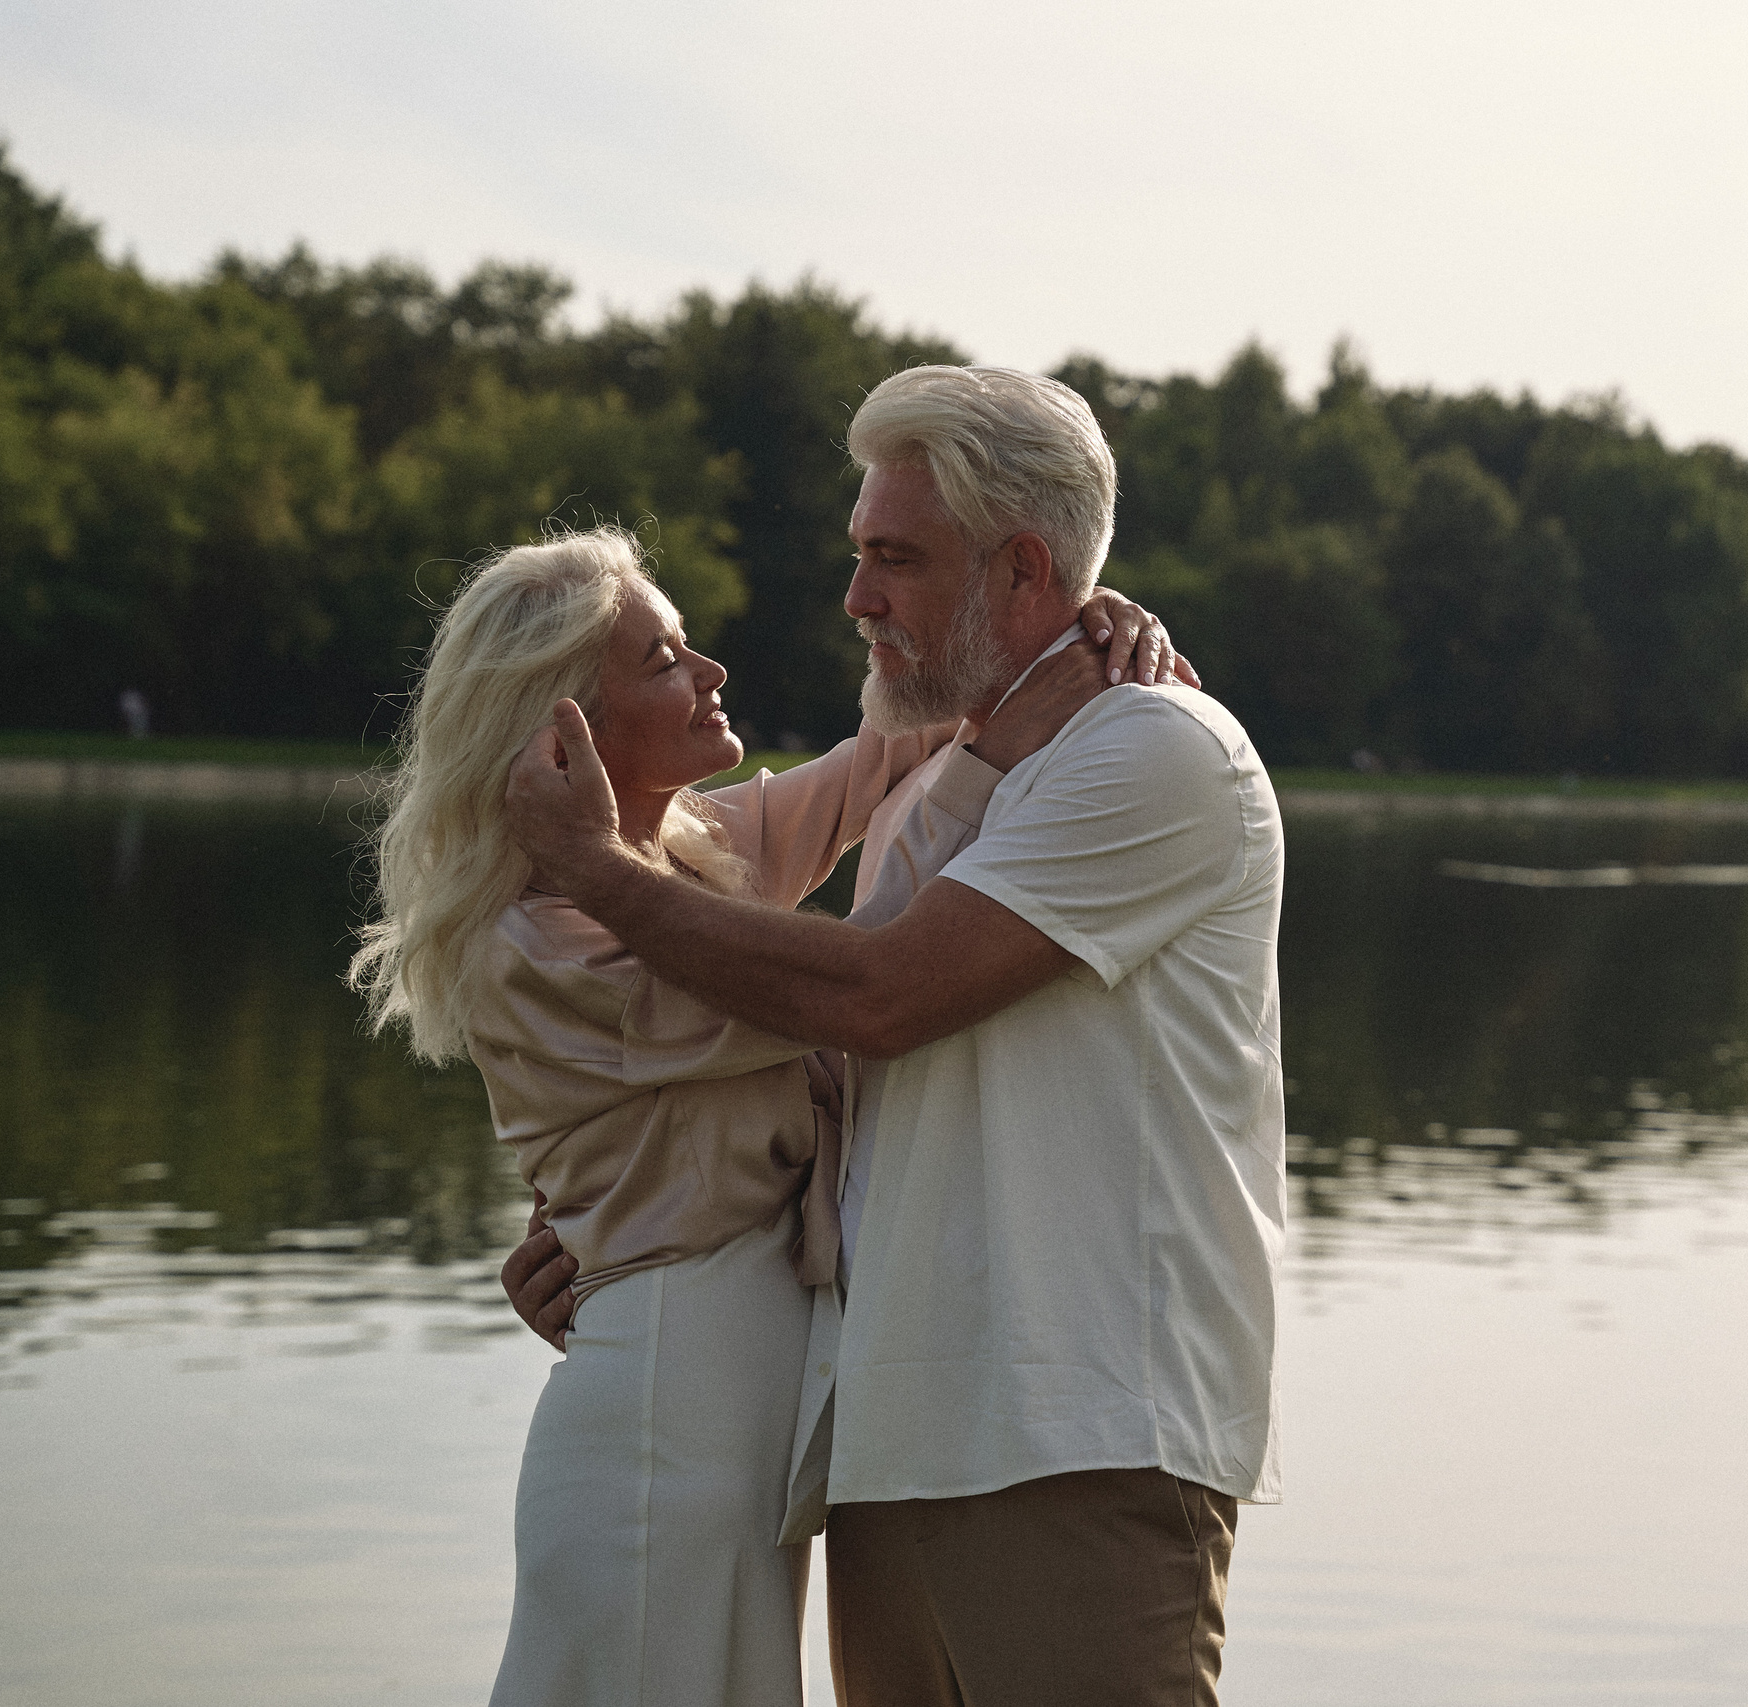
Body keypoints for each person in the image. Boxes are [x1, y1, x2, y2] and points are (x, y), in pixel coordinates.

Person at [502, 365, 1286, 1707]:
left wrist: (592, 864)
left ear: (1024, 567)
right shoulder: (947, 790)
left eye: (894, 558)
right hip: (887, 1444)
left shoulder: (1154, 748)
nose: (858, 595)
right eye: (860, 554)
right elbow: (867, 1095)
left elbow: (878, 994)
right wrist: (624, 1232)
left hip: (1074, 1445)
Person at [344, 522, 1181, 1707]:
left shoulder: (679, 861)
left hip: (727, 1405)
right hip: (666, 1409)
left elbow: (883, 762)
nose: (710, 672)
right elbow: (858, 986)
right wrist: (1005, 740)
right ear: (562, 730)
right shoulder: (543, 938)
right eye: (664, 658)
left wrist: (1080, 627)